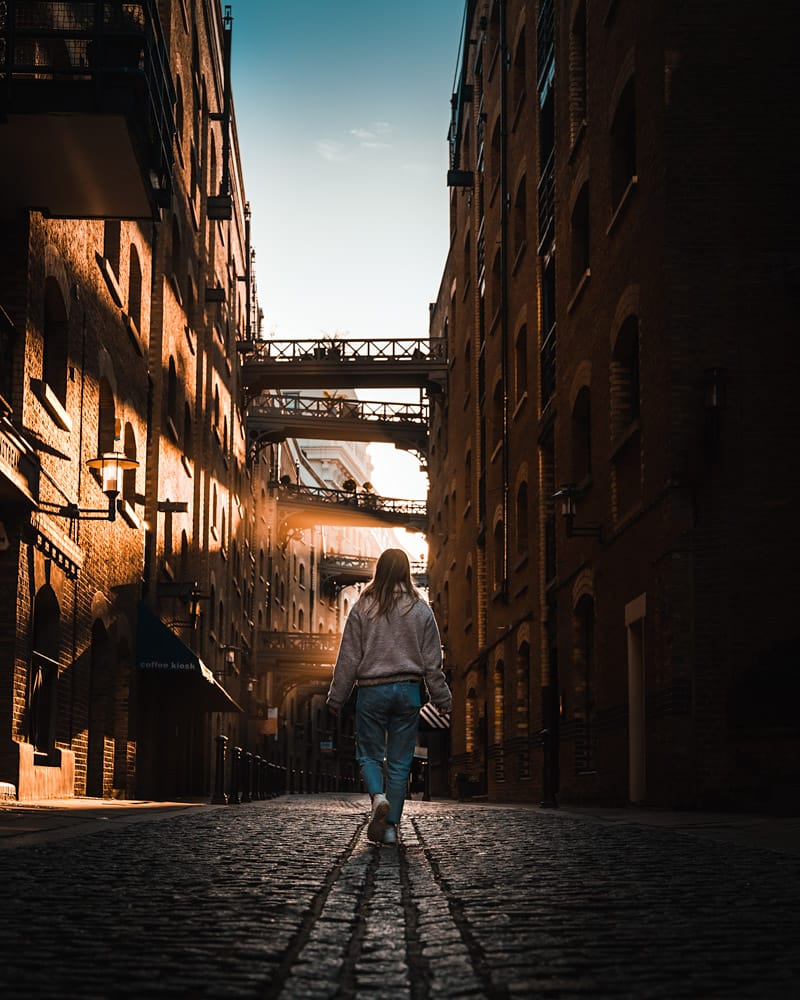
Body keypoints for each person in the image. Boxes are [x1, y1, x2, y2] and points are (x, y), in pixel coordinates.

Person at [327, 548, 451, 845]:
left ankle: (378, 798)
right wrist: (441, 696)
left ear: (379, 571)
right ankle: (392, 827)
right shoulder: (420, 610)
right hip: (408, 690)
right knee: (400, 762)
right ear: (406, 572)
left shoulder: (363, 607)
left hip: (371, 691)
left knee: (368, 754)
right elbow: (433, 660)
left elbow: (349, 657)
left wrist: (337, 697)